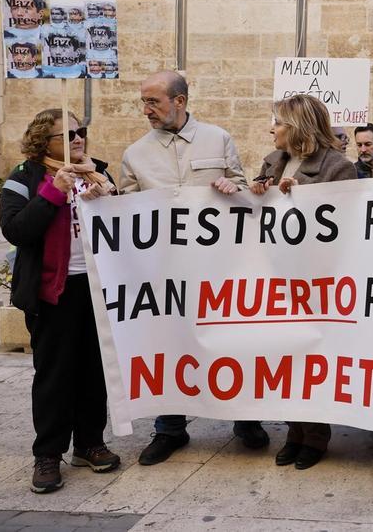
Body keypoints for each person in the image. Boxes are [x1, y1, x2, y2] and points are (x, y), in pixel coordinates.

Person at [118, 70, 269, 464]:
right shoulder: (134, 153)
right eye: (144, 102)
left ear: (180, 101)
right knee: (170, 345)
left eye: (154, 102)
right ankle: (170, 429)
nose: (146, 110)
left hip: (219, 267)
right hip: (165, 272)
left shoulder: (218, 138)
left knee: (232, 340)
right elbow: (125, 213)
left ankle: (244, 419)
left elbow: (242, 190)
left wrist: (233, 189)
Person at [0, 109, 120, 494]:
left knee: (93, 370)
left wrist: (110, 196)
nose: (77, 140)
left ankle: (89, 443)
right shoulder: (24, 177)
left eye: (79, 131)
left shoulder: (99, 171)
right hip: (54, 291)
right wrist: (53, 192)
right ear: (43, 142)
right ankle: (48, 454)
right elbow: (16, 230)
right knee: (54, 375)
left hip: (96, 287)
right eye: (66, 135)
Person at [251, 95, 356, 470]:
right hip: (276, 275)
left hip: (315, 282)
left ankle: (315, 434)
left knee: (312, 357)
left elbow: (345, 227)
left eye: (277, 122)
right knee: (284, 354)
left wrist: (305, 200)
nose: (272, 129)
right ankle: (294, 429)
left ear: (297, 127)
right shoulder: (272, 161)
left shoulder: (338, 167)